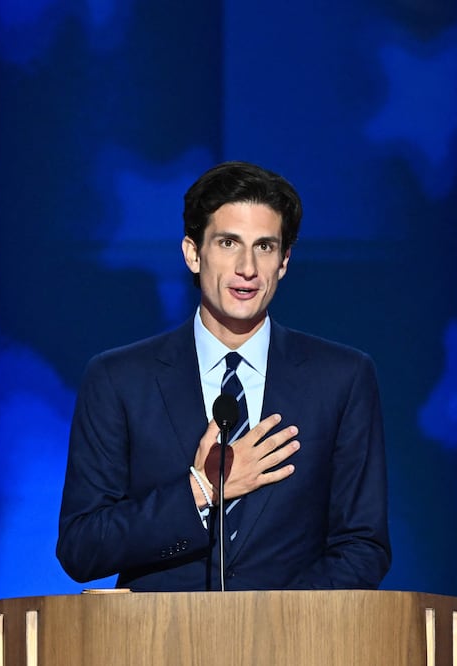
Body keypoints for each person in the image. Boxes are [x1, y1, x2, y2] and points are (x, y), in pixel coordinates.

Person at [57, 161, 390, 591]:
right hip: (157, 647)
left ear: (284, 261)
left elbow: (363, 546)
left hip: (293, 648)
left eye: (265, 247)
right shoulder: (118, 379)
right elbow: (82, 547)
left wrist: (271, 633)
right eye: (229, 243)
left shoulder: (342, 379)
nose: (247, 267)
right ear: (193, 253)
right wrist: (200, 490)